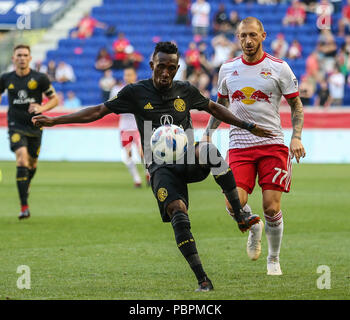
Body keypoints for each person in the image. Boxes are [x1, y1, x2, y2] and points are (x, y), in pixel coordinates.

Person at [32, 41, 273, 292]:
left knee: (208, 149)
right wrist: (55, 121)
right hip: (161, 169)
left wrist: (248, 126)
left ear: (177, 67)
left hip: (188, 160)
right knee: (178, 213)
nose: (165, 72)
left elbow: (213, 107)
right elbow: (97, 111)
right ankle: (203, 279)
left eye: (171, 67)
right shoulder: (135, 92)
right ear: (151, 65)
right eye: (161, 67)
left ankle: (240, 214)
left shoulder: (185, 90)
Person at [203, 17, 306, 276]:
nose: (247, 41)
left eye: (252, 35)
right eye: (242, 36)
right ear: (238, 39)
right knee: (233, 203)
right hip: (239, 145)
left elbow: (295, 104)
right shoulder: (227, 69)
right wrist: (207, 134)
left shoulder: (279, 68)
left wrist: (296, 136)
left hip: (271, 144)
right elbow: (220, 105)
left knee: (271, 207)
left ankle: (273, 259)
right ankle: (253, 226)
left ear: (263, 36)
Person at [0, 44, 58, 219]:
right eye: (19, 55)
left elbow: (54, 99)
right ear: (13, 58)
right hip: (15, 125)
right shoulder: (5, 78)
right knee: (22, 159)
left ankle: (26, 183)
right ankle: (24, 206)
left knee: (32, 164)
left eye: (25, 55)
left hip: (35, 125)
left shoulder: (40, 78)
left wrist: (42, 107)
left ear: (30, 58)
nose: (22, 58)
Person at [109, 67, 149, 187]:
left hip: (139, 126)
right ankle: (137, 179)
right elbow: (112, 106)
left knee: (142, 153)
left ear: (135, 76)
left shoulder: (142, 89)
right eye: (126, 75)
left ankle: (148, 173)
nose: (128, 77)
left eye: (130, 74)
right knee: (128, 154)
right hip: (125, 128)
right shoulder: (117, 90)